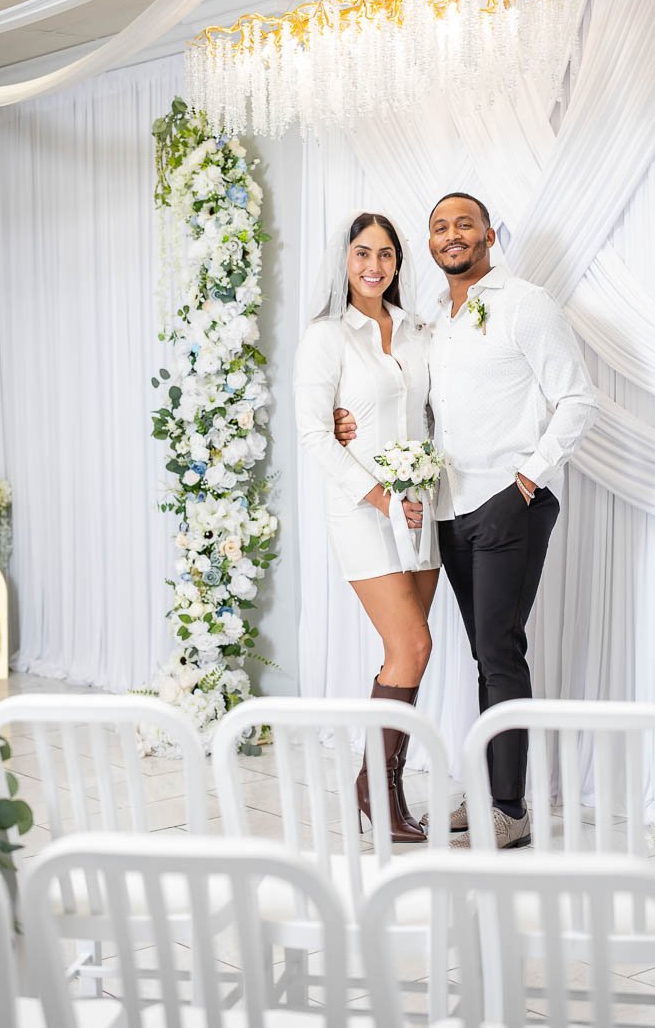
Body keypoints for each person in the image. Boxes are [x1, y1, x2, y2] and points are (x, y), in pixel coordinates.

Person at [333, 192, 599, 848]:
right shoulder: (435, 325)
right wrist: (348, 424)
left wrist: (529, 478)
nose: (452, 235)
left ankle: (509, 807)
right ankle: (487, 791)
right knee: (485, 652)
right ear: (431, 244)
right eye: (439, 227)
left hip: (510, 501)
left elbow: (577, 398)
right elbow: (406, 401)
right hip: (450, 509)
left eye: (464, 224)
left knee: (502, 651)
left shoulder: (525, 303)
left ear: (486, 235)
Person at [293, 211, 439, 843]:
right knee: (413, 646)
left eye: (385, 254)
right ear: (344, 262)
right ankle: (377, 793)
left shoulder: (418, 334)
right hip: (362, 509)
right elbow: (313, 435)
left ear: (399, 264)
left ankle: (377, 785)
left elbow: (437, 412)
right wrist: (378, 494)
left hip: (419, 508)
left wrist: (417, 489)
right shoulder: (326, 337)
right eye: (361, 254)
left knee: (406, 652)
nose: (373, 266)